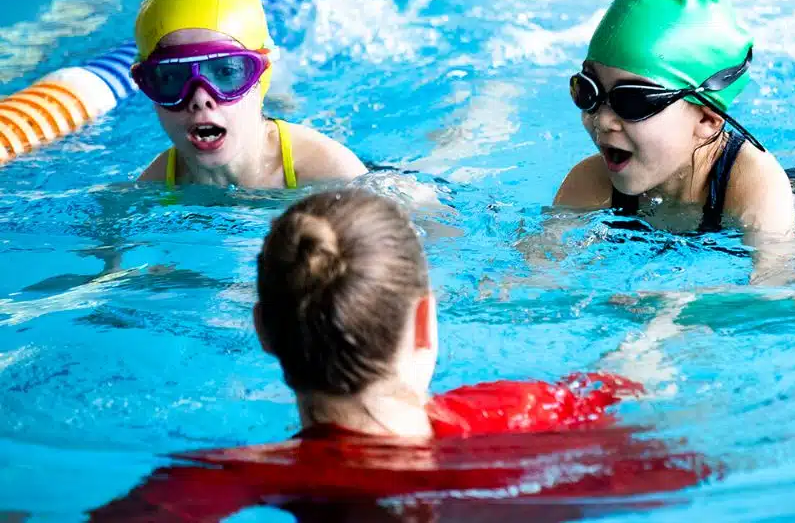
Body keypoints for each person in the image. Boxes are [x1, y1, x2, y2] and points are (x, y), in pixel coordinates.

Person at [88, 190, 708, 520]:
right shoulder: (515, 414)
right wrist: (666, 320)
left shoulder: (230, 474)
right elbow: (674, 455)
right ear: (425, 323)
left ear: (263, 331)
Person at [546, 0, 795, 283]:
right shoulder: (590, 182)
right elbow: (540, 266)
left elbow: (775, 283)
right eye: (589, 91)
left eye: (633, 101)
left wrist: (678, 310)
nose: (603, 119)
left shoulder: (754, 183)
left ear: (707, 119)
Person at [131, 0, 366, 189]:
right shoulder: (153, 186)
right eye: (172, 78)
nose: (200, 98)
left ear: (261, 75)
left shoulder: (330, 175)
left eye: (226, 72)